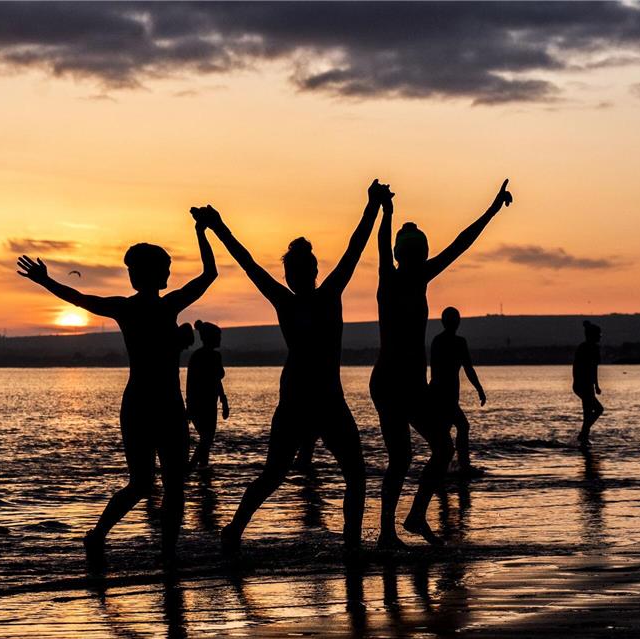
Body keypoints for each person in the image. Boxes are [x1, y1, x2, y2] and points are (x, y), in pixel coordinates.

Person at [198, 179, 387, 552]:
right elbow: (353, 248)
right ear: (310, 271)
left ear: (301, 273)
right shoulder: (320, 296)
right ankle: (240, 531)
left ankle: (241, 531)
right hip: (309, 400)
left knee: (293, 474)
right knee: (326, 475)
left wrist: (218, 226)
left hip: (318, 400)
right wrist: (372, 205)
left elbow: (249, 262)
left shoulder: (305, 298)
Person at [16, 212, 217, 559]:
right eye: (165, 267)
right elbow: (209, 274)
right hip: (156, 405)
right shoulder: (161, 306)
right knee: (164, 486)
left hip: (149, 404)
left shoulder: (132, 308)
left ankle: (143, 548)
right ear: (152, 273)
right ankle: (119, 541)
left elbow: (78, 298)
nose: (169, 273)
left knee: (150, 484)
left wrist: (45, 282)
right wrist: (203, 233)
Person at [371, 179, 512, 547]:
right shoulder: (391, 278)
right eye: (416, 255)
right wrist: (386, 213)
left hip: (409, 384)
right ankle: (391, 530)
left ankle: (413, 517)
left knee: (438, 449)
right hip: (390, 382)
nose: (421, 261)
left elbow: (461, 243)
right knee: (403, 457)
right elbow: (384, 246)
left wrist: (493, 209)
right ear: (408, 256)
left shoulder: (416, 278)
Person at [429, 307, 486, 475]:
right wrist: (479, 389)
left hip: (442, 393)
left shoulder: (440, 341)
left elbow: (468, 369)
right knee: (461, 426)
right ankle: (461, 465)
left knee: (445, 432)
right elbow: (467, 368)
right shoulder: (453, 342)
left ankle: (448, 467)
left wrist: (479, 389)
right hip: (443, 394)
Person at [186, 320, 230, 469]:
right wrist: (190, 406)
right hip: (201, 404)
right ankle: (191, 468)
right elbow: (192, 383)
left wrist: (224, 401)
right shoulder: (202, 357)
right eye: (218, 336)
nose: (220, 340)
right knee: (207, 438)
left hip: (209, 404)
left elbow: (216, 380)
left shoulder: (209, 356)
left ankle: (202, 470)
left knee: (206, 439)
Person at [574, 320, 603, 445]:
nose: (600, 337)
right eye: (599, 334)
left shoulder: (586, 347)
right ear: (592, 335)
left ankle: (584, 436)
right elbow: (591, 368)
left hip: (585, 385)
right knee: (597, 409)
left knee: (591, 411)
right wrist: (595, 385)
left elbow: (593, 368)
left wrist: (595, 385)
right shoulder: (588, 348)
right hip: (584, 385)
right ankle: (583, 434)